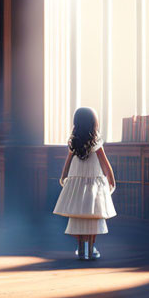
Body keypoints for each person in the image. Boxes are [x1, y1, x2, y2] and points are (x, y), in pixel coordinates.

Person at [53, 106, 116, 260]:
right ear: (93, 123)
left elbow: (67, 163)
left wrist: (63, 177)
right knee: (92, 216)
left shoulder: (73, 143)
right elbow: (105, 165)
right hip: (92, 187)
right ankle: (90, 247)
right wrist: (111, 181)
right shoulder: (96, 143)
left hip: (78, 186)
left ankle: (82, 247)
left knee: (78, 216)